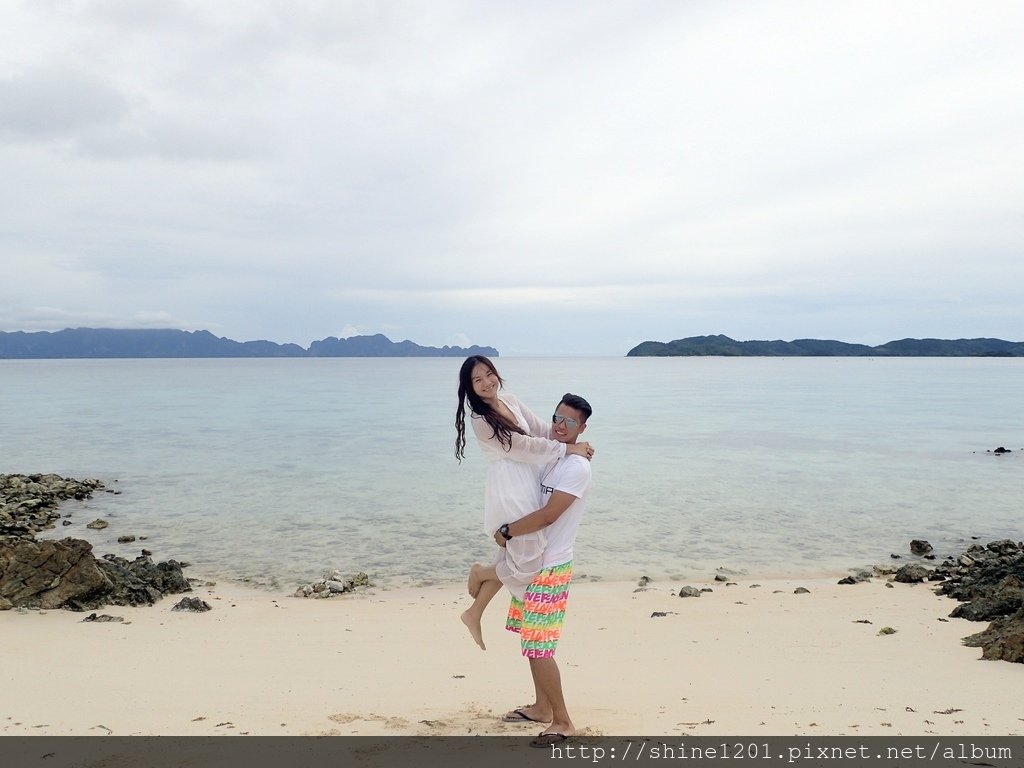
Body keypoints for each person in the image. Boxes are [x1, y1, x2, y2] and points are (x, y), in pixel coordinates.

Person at [454, 356, 594, 650]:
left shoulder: (511, 400)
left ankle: (474, 612)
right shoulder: (481, 421)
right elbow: (523, 446)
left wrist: (572, 446)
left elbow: (543, 430)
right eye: (477, 380)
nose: (486, 383)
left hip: (530, 477)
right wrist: (570, 449)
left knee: (516, 552)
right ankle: (481, 572)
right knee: (527, 561)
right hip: (510, 486)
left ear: (497, 374)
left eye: (488, 374)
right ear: (469, 388)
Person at [494, 392, 593, 747]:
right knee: (529, 640)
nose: (560, 426)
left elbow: (550, 514)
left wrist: (507, 532)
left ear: (582, 428)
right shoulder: (553, 454)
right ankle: (540, 708)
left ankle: (563, 721)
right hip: (533, 561)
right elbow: (519, 433)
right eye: (557, 418)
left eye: (570, 422)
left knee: (540, 646)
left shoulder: (577, 468)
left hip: (552, 566)